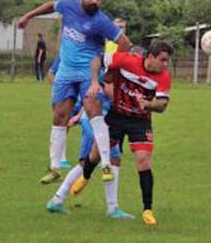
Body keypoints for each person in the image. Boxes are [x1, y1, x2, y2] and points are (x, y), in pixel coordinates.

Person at [17, 0, 131, 185]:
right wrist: (28, 16)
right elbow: (51, 5)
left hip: (88, 73)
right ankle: (54, 167)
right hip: (65, 72)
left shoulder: (101, 20)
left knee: (93, 113)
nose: (95, 0)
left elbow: (124, 43)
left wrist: (111, 70)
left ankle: (105, 163)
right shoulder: (68, 5)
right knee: (60, 116)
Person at [48, 42, 173, 226]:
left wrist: (149, 105)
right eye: (163, 60)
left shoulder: (163, 77)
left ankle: (147, 209)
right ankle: (86, 179)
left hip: (140, 121)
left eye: (168, 61)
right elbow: (98, 59)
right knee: (96, 155)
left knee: (143, 160)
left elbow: (162, 105)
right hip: (116, 117)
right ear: (151, 57)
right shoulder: (126, 60)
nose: (165, 64)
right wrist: (96, 80)